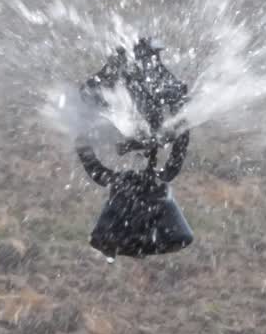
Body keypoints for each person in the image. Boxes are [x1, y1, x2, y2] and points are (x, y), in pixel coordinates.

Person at [76, 38, 194, 257]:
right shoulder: (107, 86)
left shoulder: (166, 86)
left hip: (146, 144)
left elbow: (181, 124)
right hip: (140, 141)